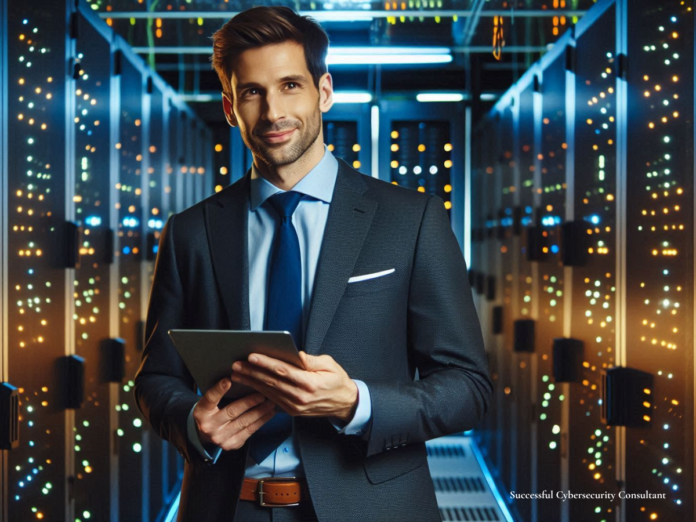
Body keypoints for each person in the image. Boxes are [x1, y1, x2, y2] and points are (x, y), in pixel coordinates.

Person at [134, 6, 492, 522]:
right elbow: (155, 379)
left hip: (371, 507)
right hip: (227, 507)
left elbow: (468, 386)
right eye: (252, 92)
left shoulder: (410, 220)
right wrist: (191, 421)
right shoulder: (192, 231)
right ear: (231, 108)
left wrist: (355, 403)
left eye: (290, 86)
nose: (274, 111)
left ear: (323, 90)